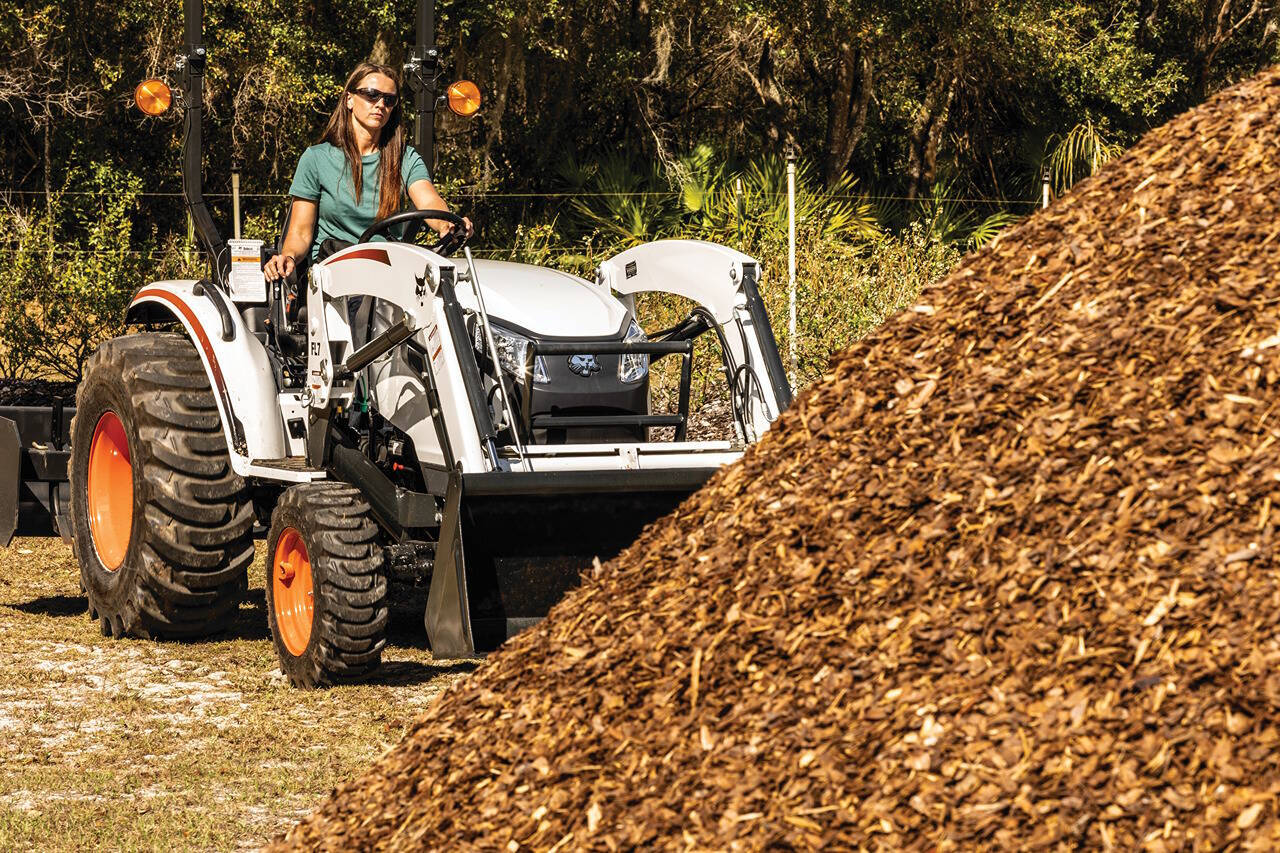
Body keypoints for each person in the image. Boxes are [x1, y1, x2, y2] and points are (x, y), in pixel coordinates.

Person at [264, 61, 472, 282]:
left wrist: (447, 225)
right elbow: (300, 232)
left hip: (387, 271)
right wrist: (288, 256)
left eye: (389, 100)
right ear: (349, 99)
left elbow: (429, 200)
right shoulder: (316, 159)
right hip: (334, 274)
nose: (380, 104)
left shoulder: (405, 158)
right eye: (371, 94)